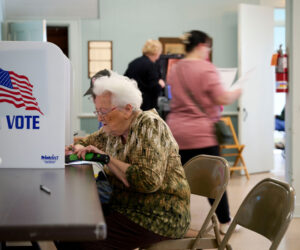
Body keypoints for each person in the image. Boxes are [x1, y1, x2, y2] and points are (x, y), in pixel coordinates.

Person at [62, 71, 191, 249]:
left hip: (159, 215)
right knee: (69, 226)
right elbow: (85, 142)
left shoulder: (149, 125)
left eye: (104, 111)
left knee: (78, 239)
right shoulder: (113, 130)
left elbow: (148, 181)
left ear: (128, 109)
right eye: (97, 111)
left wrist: (105, 158)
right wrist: (74, 148)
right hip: (125, 208)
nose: (99, 118)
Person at [166, 30, 242, 234]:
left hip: (176, 132)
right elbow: (222, 98)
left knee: (178, 181)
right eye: (208, 46)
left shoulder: (175, 68)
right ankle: (225, 222)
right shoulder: (206, 69)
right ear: (201, 46)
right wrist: (237, 90)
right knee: (215, 181)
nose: (208, 50)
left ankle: (174, 222)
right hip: (201, 134)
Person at [124, 39, 165, 111]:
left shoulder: (133, 63)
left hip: (132, 103)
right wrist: (160, 84)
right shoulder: (151, 65)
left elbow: (126, 80)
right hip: (147, 105)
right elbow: (154, 88)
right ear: (157, 52)